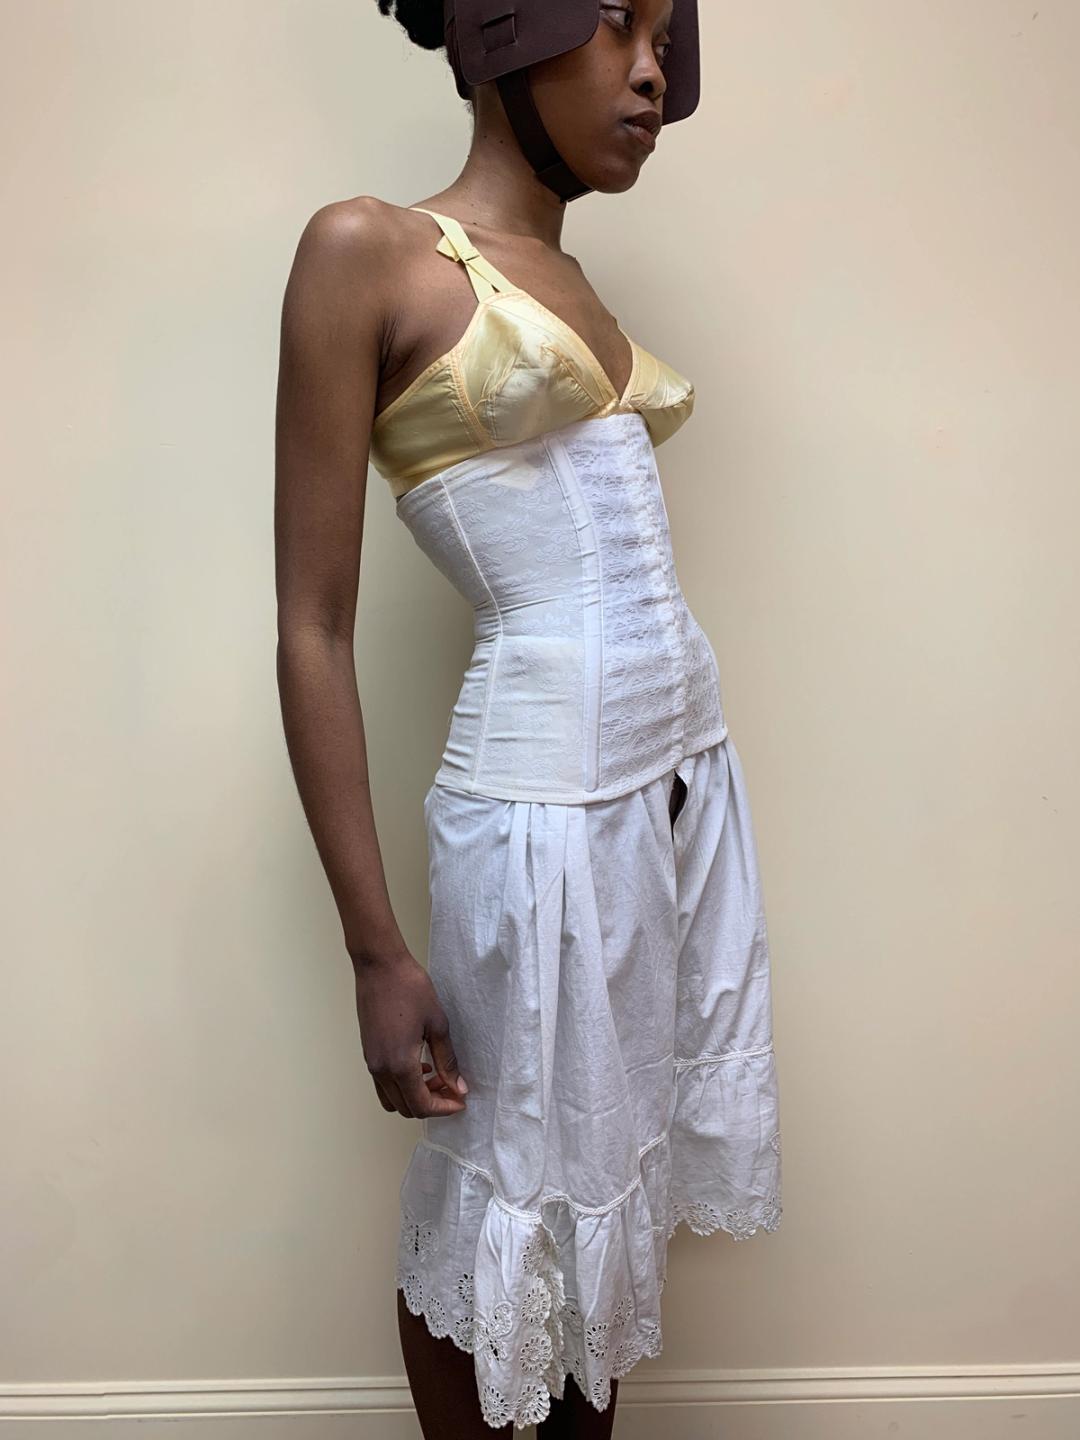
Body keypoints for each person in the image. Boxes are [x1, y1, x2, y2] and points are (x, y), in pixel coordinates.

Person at [274, 0, 783, 1433]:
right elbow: (313, 627)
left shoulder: (570, 275)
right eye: (616, 23)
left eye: (665, 36)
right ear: (510, 26)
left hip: (678, 792)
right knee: (500, 1186)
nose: (651, 71)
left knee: (608, 1184)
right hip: (539, 812)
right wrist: (376, 950)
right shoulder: (367, 249)